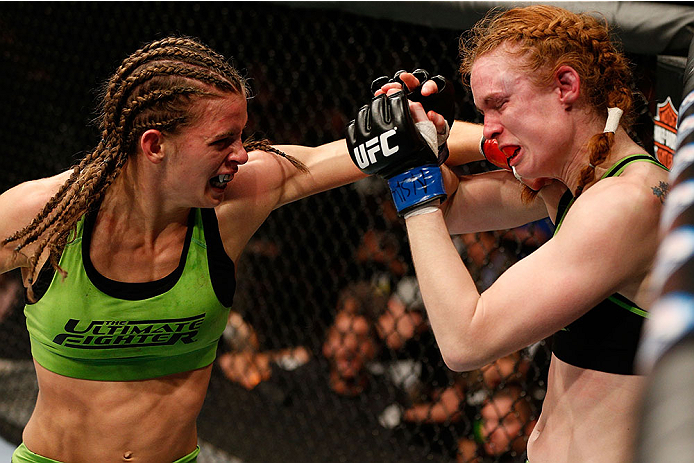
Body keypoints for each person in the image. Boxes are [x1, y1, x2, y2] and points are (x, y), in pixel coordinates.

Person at [0, 36, 486, 462]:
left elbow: (360, 150)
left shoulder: (232, 205)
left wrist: (498, 141)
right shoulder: (44, 216)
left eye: (242, 135)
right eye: (221, 141)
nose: (241, 154)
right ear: (154, 146)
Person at [354, 5, 670, 463]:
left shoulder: (622, 205)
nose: (490, 127)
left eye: (499, 104)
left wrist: (412, 181)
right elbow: (454, 210)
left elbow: (466, 341)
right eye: (483, 110)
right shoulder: (575, 185)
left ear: (566, 86)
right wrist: (426, 139)